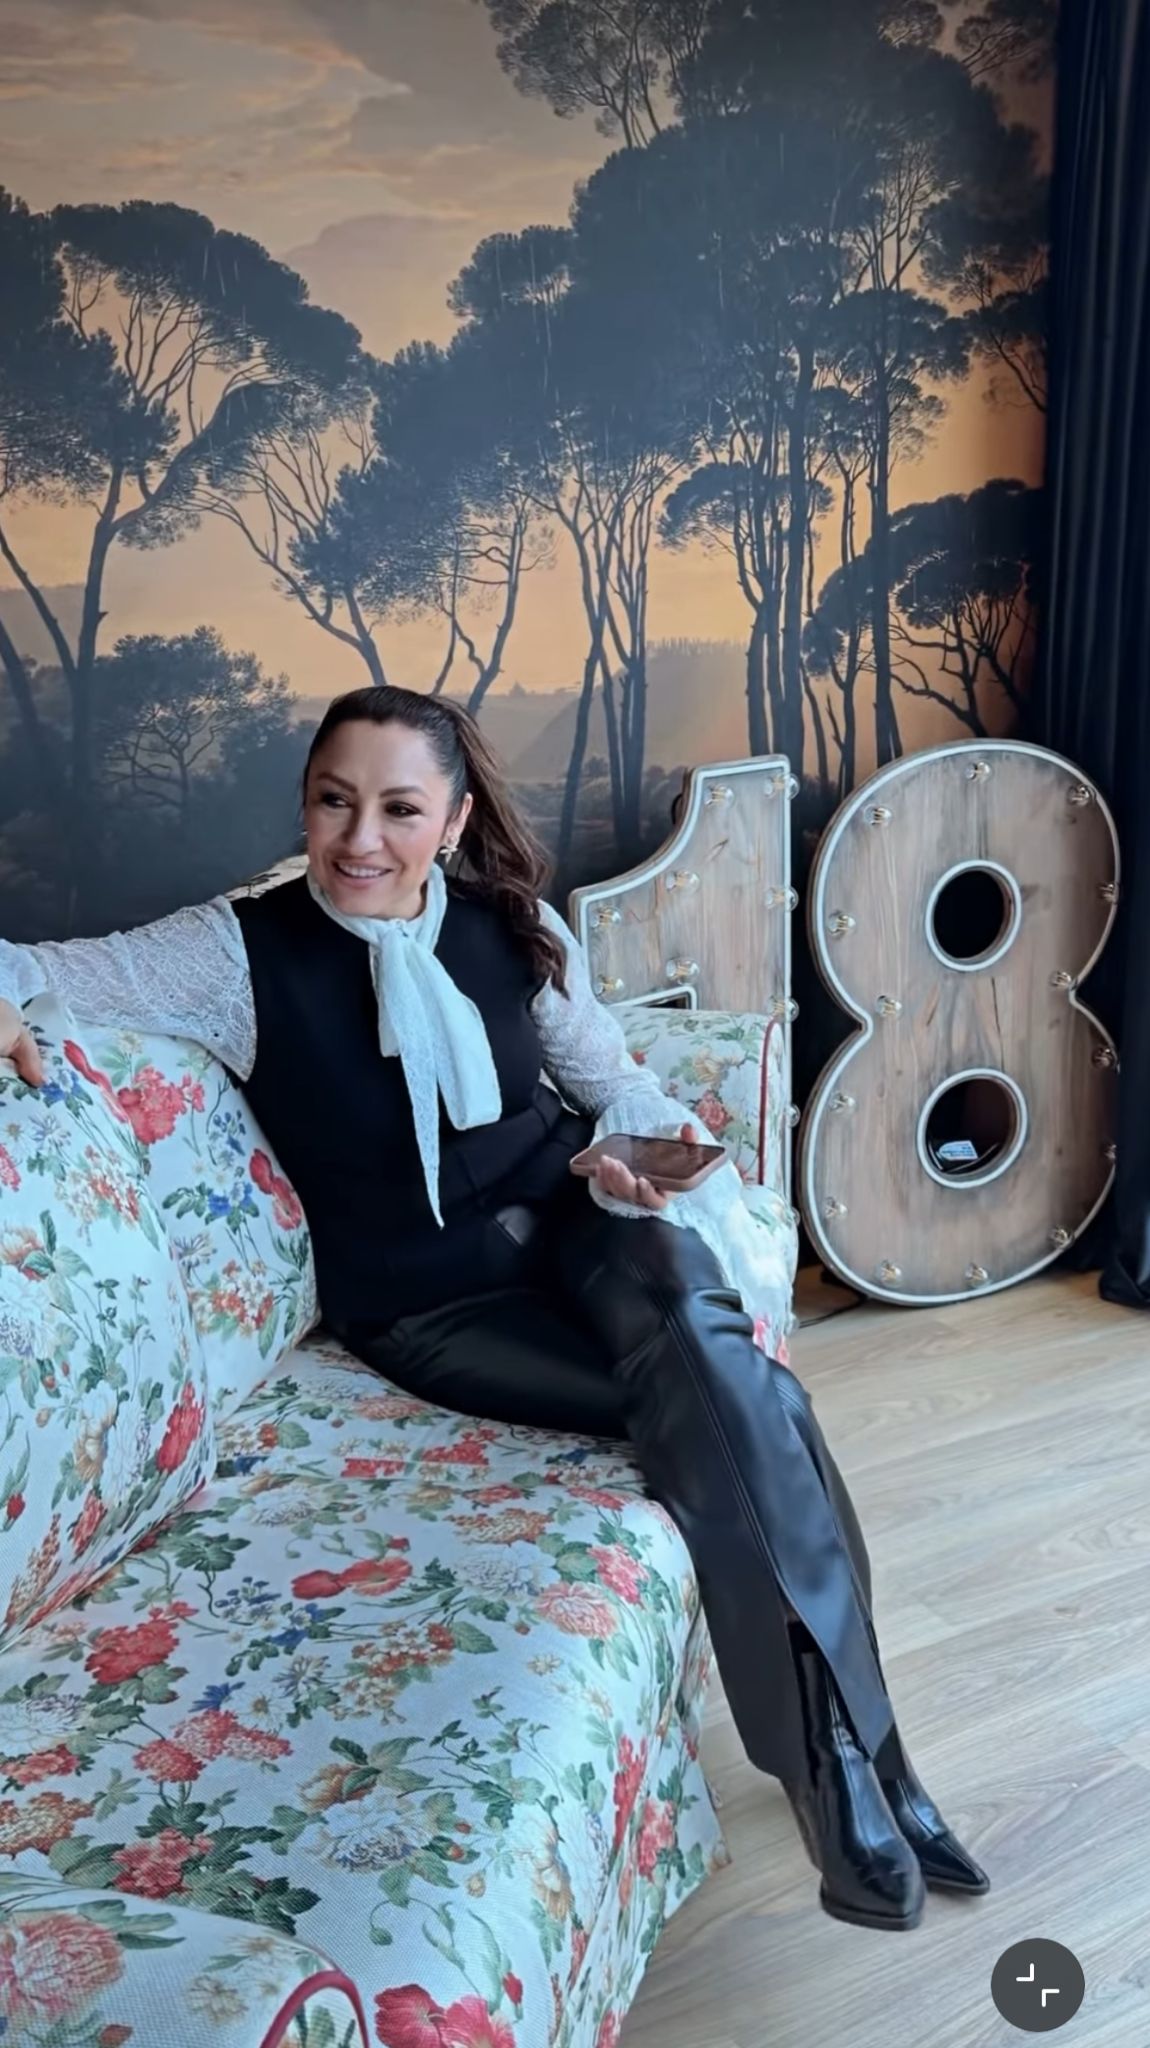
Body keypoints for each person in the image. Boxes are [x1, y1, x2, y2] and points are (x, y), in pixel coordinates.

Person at [0, 684, 988, 1934]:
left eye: (399, 809)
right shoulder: (232, 955)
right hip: (434, 1306)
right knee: (749, 1400)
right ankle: (862, 1763)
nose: (361, 839)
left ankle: (846, 1771)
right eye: (333, 802)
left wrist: (648, 1156)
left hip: (584, 1218)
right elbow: (35, 966)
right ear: (304, 803)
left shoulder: (514, 925)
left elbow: (614, 1082)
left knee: (708, 1353)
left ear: (455, 819)